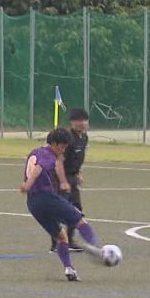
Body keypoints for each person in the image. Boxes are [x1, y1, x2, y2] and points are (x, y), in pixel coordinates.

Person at [20, 128, 103, 281]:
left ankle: (69, 269)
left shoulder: (35, 152)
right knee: (79, 219)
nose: (62, 150)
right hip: (47, 198)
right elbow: (39, 169)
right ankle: (96, 248)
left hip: (32, 203)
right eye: (61, 147)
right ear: (53, 143)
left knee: (61, 237)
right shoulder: (48, 155)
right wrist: (28, 184)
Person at [54, 108, 89, 252]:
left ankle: (69, 241)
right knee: (59, 211)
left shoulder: (84, 138)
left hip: (73, 178)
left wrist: (78, 173)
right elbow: (59, 161)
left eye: (84, 120)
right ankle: (57, 243)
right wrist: (63, 181)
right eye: (78, 120)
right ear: (72, 122)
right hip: (61, 178)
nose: (81, 123)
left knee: (76, 211)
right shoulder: (67, 138)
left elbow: (79, 158)